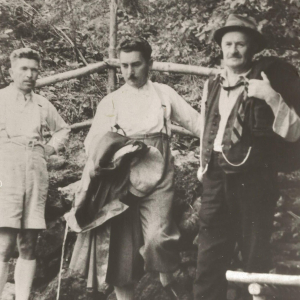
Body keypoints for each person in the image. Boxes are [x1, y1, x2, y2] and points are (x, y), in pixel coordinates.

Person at [68, 36, 201, 300]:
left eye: (136, 64)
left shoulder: (165, 94)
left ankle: (167, 278)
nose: (130, 71)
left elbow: (197, 122)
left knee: (157, 238)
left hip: (159, 172)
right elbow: (93, 141)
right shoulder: (112, 101)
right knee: (121, 248)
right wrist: (104, 159)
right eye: (124, 65)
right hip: (121, 177)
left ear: (149, 63)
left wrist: (217, 144)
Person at [194, 14, 300, 300]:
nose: (233, 50)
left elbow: (294, 131)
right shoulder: (213, 83)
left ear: (252, 48)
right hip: (215, 178)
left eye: (240, 44)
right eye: (228, 44)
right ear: (221, 48)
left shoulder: (268, 79)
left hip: (254, 179)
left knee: (255, 257)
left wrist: (270, 96)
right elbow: (206, 126)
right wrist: (202, 165)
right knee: (208, 258)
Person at [0, 48, 70, 300]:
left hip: (35, 171)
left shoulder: (42, 104)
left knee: (28, 242)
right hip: (6, 172)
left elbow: (63, 129)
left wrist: (50, 148)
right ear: (11, 72)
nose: (29, 74)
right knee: (4, 244)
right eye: (24, 69)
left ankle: (21, 297)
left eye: (34, 70)